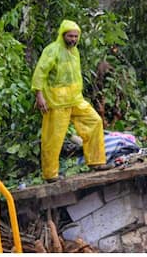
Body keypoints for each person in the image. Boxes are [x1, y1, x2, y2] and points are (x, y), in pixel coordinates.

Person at [31, 20, 110, 182]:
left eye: (75, 36)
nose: (73, 39)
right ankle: (50, 174)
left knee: (94, 121)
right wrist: (39, 95)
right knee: (53, 138)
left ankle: (96, 161)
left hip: (75, 99)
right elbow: (40, 72)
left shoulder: (75, 52)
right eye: (70, 36)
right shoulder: (52, 50)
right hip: (56, 101)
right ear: (62, 35)